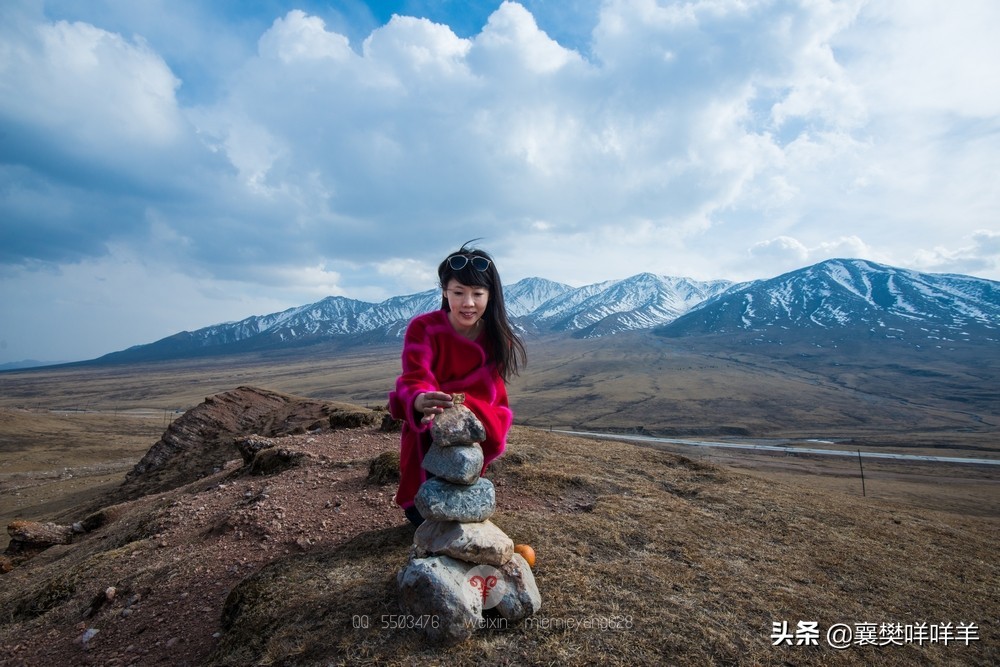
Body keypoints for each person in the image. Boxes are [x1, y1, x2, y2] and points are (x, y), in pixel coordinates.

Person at [388, 242, 527, 526]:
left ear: (491, 295)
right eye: (458, 292)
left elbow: (493, 396)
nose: (468, 303)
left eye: (478, 293)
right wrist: (419, 399)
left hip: (475, 427)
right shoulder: (424, 328)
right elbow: (415, 374)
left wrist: (468, 408)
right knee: (422, 513)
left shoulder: (498, 339)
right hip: (429, 426)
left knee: (462, 491)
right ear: (444, 292)